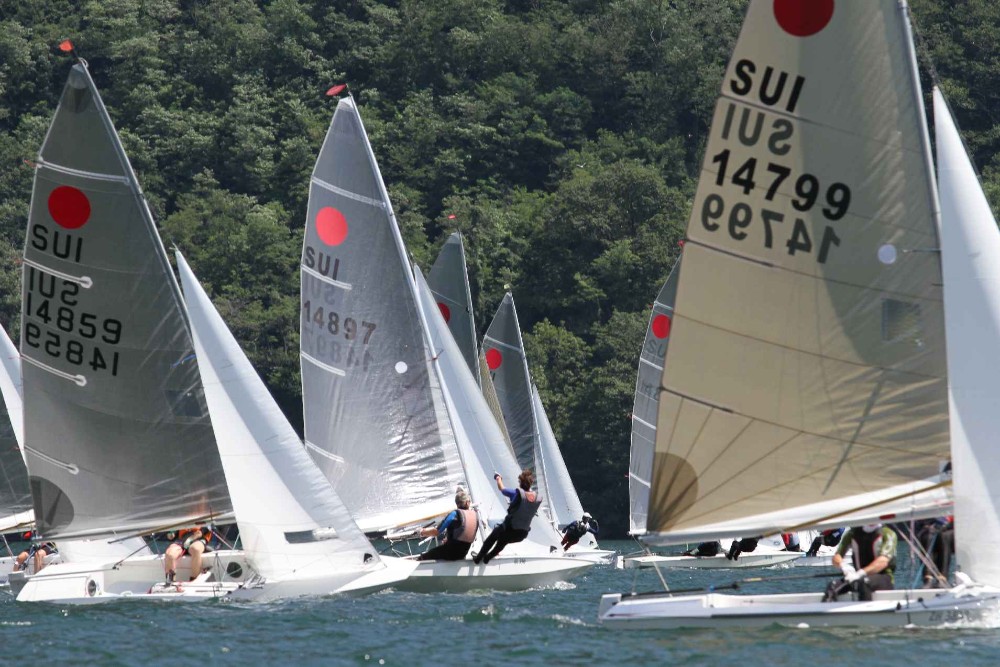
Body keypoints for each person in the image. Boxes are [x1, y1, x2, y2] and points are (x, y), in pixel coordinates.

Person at [472, 469, 542, 565]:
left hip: (511, 529)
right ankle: (487, 558)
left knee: (495, 534)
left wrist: (498, 478)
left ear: (520, 482)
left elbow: (502, 488)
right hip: (522, 534)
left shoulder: (516, 493)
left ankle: (478, 558)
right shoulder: (537, 498)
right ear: (531, 483)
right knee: (503, 540)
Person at [824, 523, 897, 602]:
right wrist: (844, 566)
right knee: (833, 585)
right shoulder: (852, 534)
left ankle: (866, 608)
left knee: (864, 582)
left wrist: (861, 573)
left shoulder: (887, 533)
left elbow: (883, 561)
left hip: (884, 578)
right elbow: (836, 557)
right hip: (857, 578)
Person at [417, 489, 478, 561]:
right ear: (468, 503)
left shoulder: (454, 514)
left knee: (425, 556)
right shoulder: (475, 515)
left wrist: (421, 532)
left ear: (457, 504)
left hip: (450, 553)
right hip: (463, 553)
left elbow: (436, 532)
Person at [916, 516, 954, 588]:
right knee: (927, 536)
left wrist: (947, 525)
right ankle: (928, 578)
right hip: (934, 526)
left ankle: (942, 578)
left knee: (944, 536)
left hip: (953, 528)